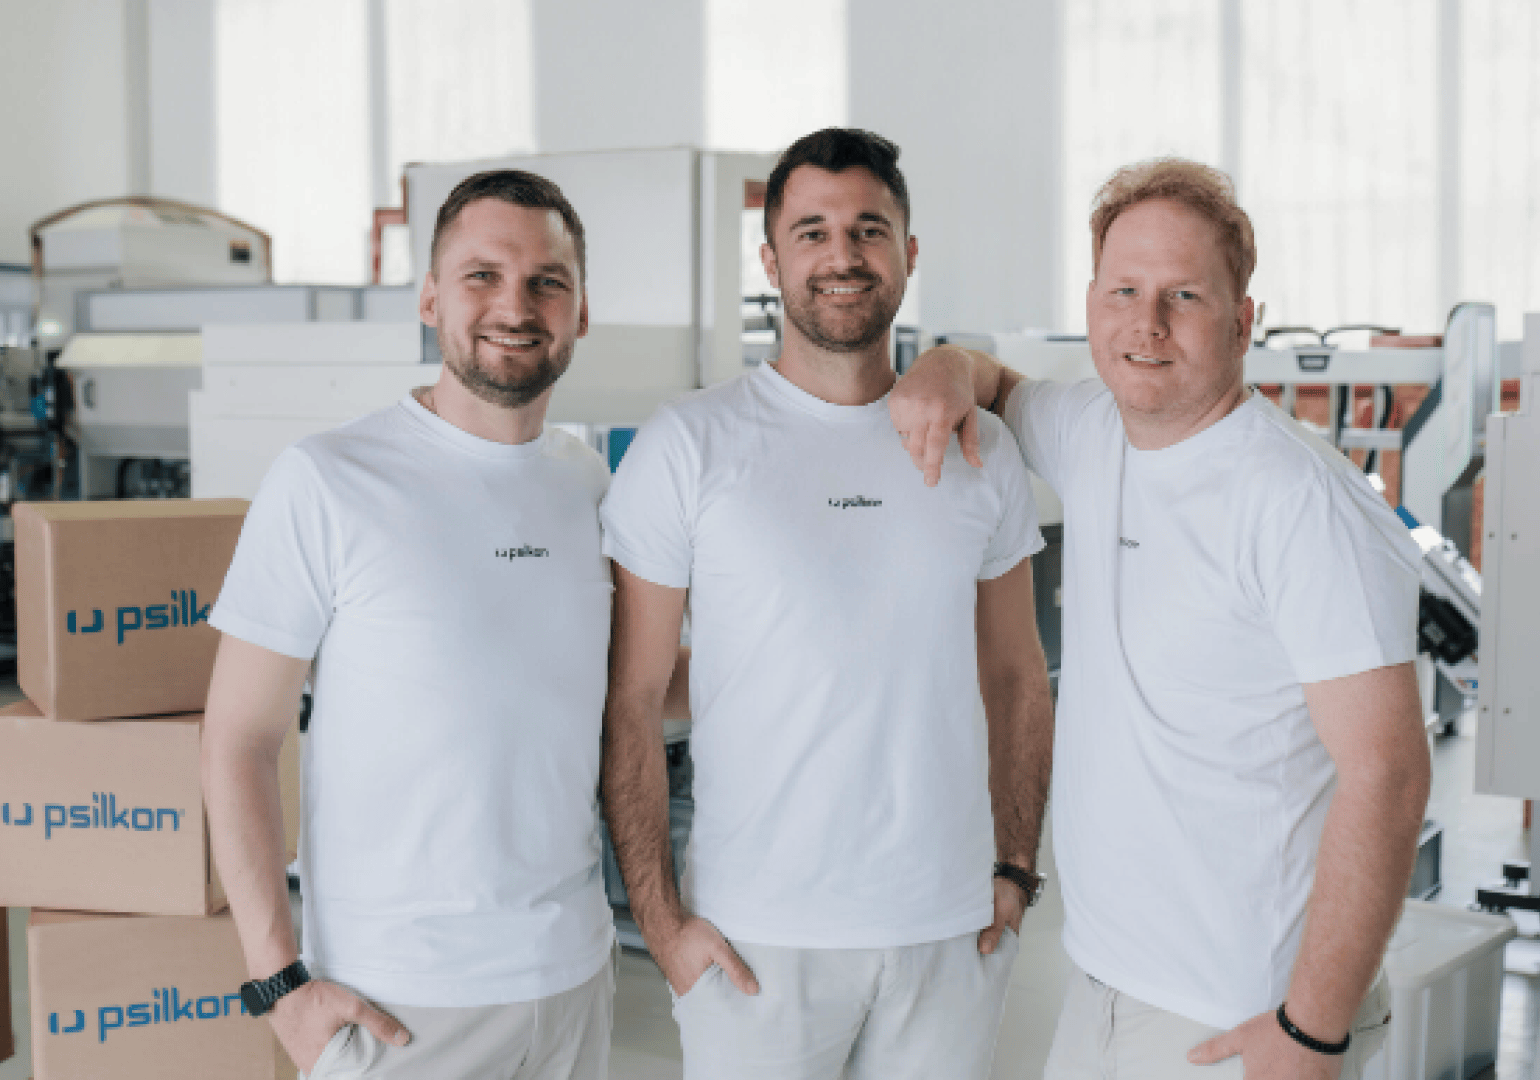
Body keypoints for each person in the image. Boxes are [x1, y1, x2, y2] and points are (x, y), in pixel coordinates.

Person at [888, 157, 1431, 1080]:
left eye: (1183, 295)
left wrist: (1311, 1030)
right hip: (1105, 986)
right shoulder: (1094, 432)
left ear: (1242, 320)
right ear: (1091, 302)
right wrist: (941, 366)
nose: (1145, 323)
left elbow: (1388, 774)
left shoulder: (1299, 504)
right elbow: (992, 379)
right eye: (1123, 291)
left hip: (1240, 1016)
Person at [202, 169, 686, 1079]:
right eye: (481, 276)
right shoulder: (328, 480)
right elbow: (238, 739)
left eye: (549, 280)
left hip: (571, 978)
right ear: (429, 298)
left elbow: (630, 683)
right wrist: (279, 984)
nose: (517, 304)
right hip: (397, 997)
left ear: (582, 312)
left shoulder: (587, 484)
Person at [598, 127, 1056, 1080]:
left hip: (948, 930)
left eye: (868, 229)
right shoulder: (692, 446)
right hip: (754, 938)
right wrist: (661, 921)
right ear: (770, 260)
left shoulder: (983, 454)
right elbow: (631, 699)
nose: (841, 256)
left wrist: (1014, 870)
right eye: (811, 231)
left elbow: (1017, 675)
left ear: (907, 253)